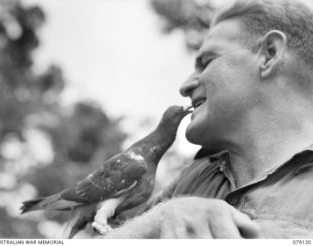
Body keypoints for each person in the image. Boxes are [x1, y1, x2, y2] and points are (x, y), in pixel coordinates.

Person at [103, 0, 313, 238]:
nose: (185, 86)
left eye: (206, 61)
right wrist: (157, 220)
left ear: (269, 54)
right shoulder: (192, 178)